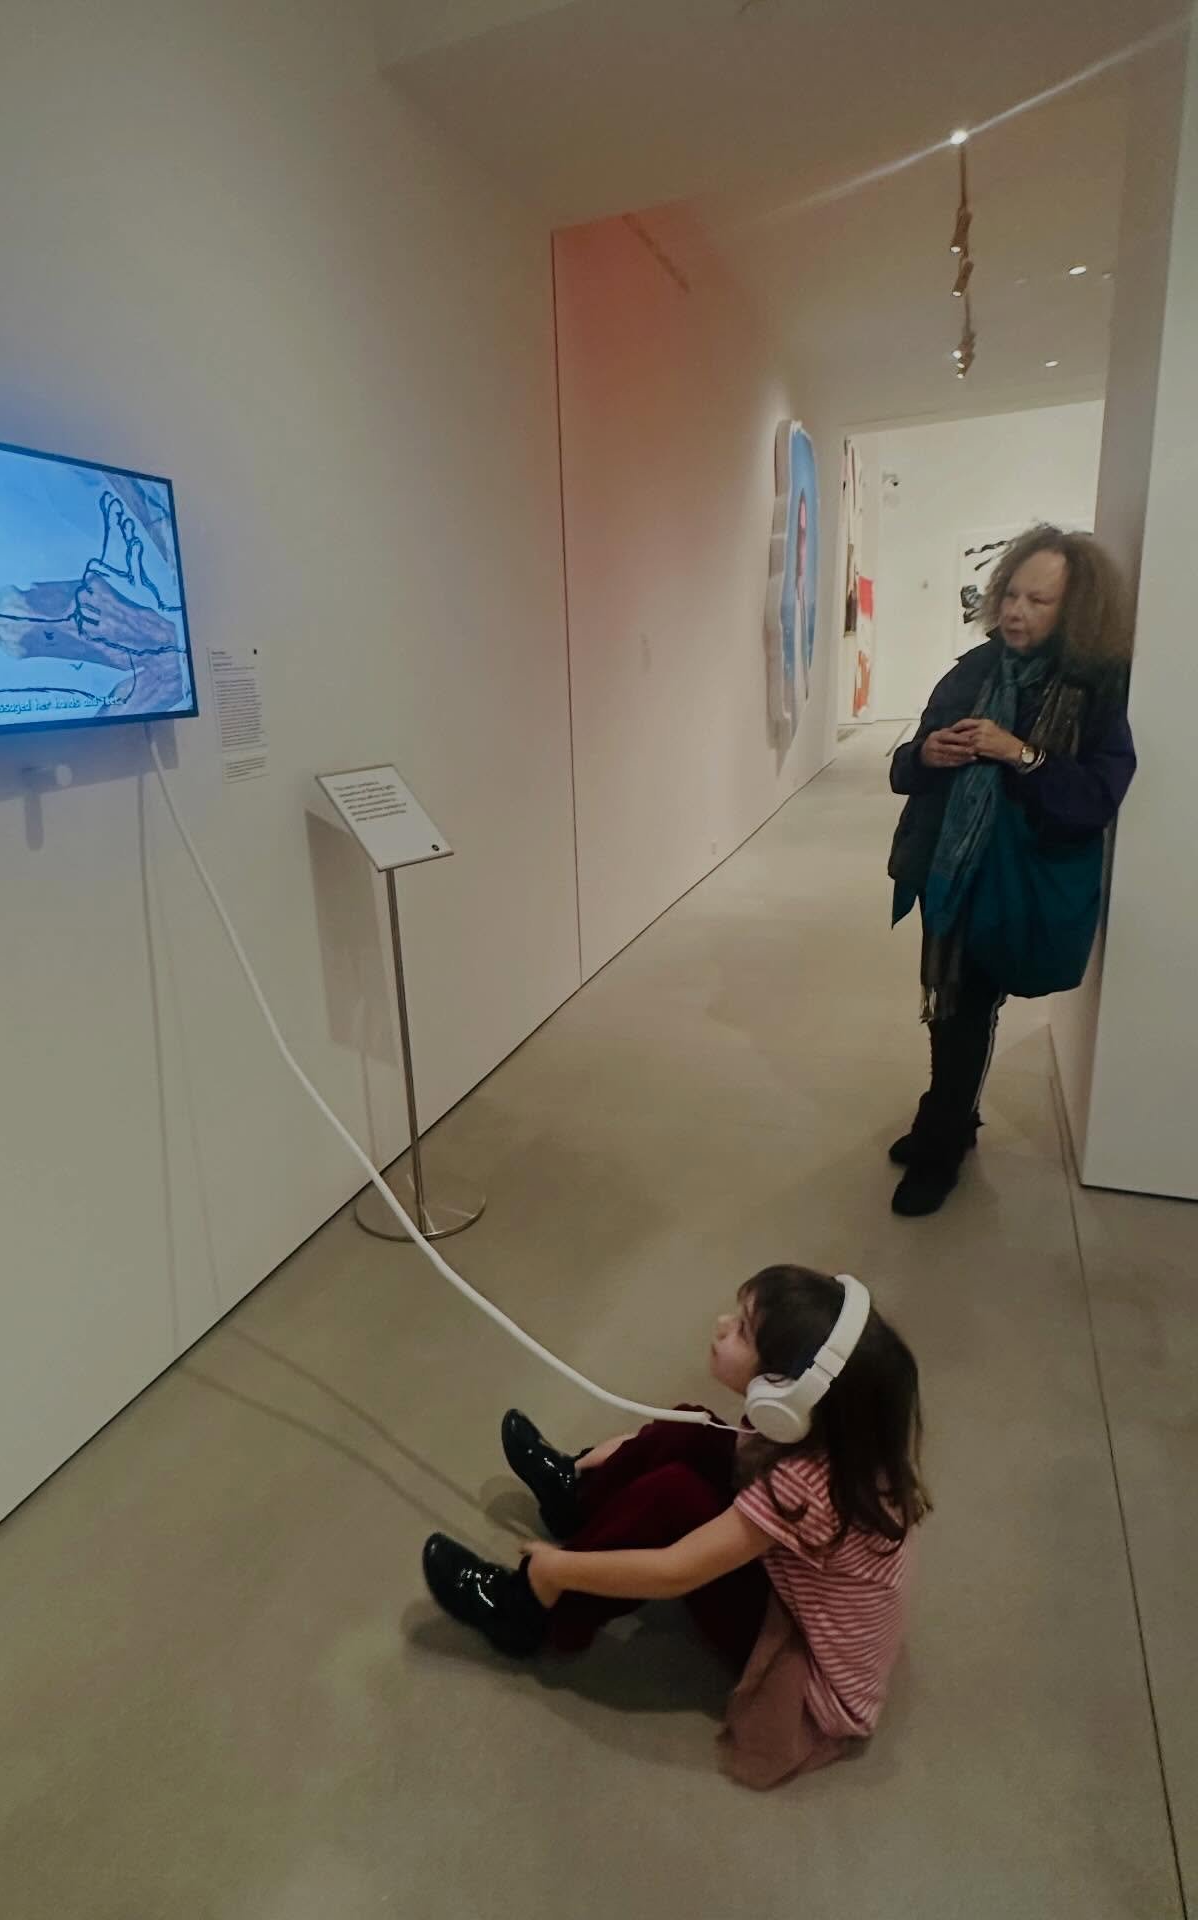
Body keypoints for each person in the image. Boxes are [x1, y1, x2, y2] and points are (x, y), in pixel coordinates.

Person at [420, 1265, 929, 1790]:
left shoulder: (804, 1486)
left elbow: (674, 1572)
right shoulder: (829, 1438)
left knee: (673, 1500)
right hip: (798, 1591)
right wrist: (606, 1458)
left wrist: (559, 1569)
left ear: (786, 1394)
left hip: (803, 1677)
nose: (721, 1325)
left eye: (742, 1331)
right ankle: (577, 1498)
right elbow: (719, 1445)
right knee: (694, 1428)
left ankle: (528, 1613)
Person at [887, 525, 1136, 1216]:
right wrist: (926, 755)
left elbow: (1095, 799)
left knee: (970, 1007)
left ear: (1074, 609)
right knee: (957, 1007)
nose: (1016, 612)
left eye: (1039, 600)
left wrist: (1018, 753)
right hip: (951, 870)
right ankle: (947, 1123)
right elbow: (905, 767)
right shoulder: (973, 669)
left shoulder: (1095, 686)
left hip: (1022, 877)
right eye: (1012, 595)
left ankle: (942, 1139)